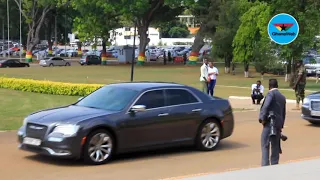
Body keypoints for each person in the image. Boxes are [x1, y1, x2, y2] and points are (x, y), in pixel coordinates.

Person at [259, 79, 286, 166]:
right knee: (275, 149)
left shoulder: (271, 94)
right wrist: (281, 126)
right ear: (277, 86)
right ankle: (274, 167)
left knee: (265, 146)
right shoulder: (282, 97)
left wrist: (262, 118)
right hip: (278, 126)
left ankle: (265, 167)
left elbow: (266, 106)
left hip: (269, 124)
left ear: (269, 86)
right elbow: (283, 113)